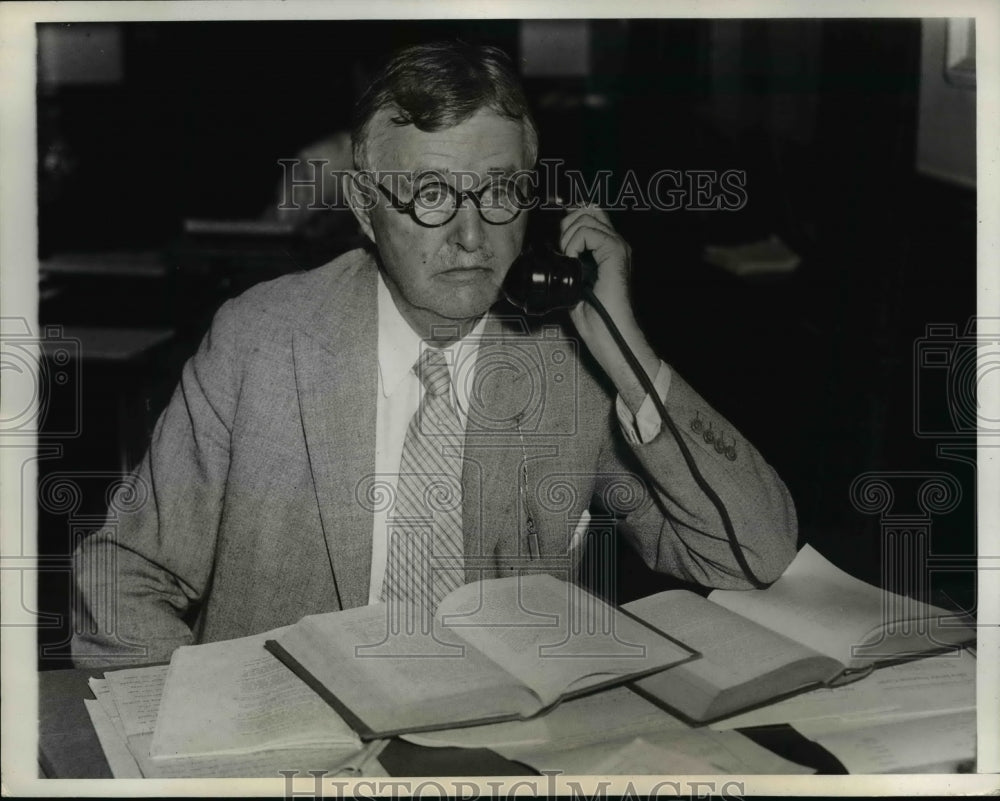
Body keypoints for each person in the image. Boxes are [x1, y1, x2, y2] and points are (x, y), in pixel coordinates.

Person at [71, 41, 798, 667]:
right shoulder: (261, 342)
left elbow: (748, 553)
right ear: (363, 208)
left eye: (499, 192)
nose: (471, 235)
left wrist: (628, 352)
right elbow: (124, 570)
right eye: (429, 195)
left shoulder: (570, 360)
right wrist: (199, 726)